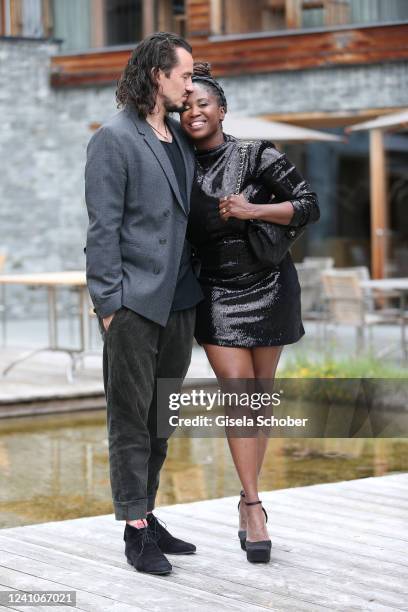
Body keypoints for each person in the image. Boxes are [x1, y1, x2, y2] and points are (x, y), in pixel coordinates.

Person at [180, 63, 320, 564]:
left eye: (203, 104)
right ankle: (256, 506)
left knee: (259, 400)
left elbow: (308, 205)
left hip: (270, 283)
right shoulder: (175, 162)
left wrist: (252, 210)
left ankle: (245, 500)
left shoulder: (255, 154)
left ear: (222, 109)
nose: (194, 112)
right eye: (185, 105)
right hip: (215, 291)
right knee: (239, 398)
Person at [84, 33, 203, 576]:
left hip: (180, 302)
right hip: (133, 304)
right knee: (130, 419)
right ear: (158, 74)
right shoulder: (113, 138)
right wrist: (109, 303)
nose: (191, 84)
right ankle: (134, 532)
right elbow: (102, 227)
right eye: (185, 75)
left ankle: (147, 512)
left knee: (161, 418)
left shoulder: (179, 136)